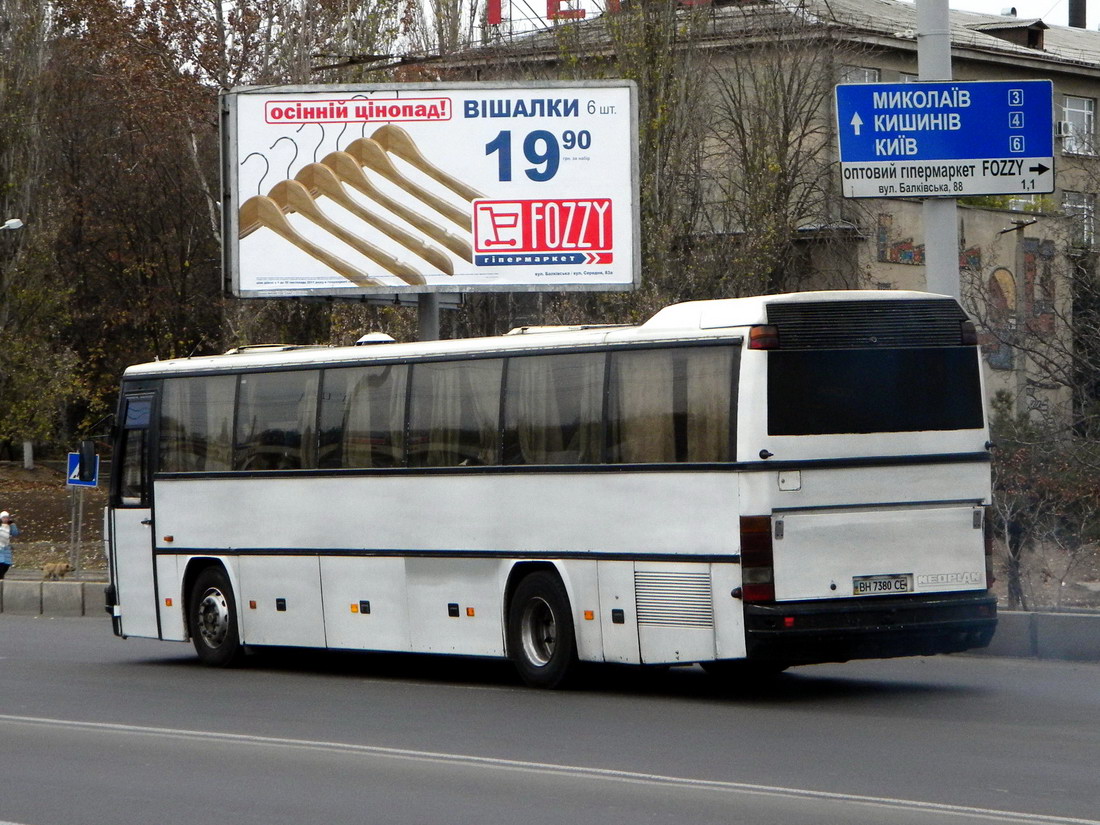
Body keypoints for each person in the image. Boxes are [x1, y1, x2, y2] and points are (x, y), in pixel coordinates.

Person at [0, 510, 20, 580]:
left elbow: (15, 533)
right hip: (0, 547)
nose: (5, 519)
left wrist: (13, 525)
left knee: (7, 564)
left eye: (7, 518)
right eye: (4, 518)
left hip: (6, 547)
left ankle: (1, 576)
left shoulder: (10, 526)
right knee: (1, 563)